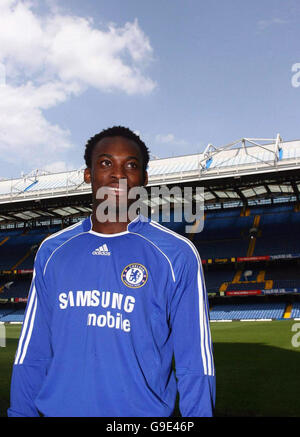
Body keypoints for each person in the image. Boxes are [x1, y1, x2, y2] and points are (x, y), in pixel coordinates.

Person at [8, 126, 215, 417]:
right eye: (106, 163)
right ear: (88, 175)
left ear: (143, 179)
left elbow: (195, 361)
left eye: (130, 165)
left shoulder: (176, 254)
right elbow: (33, 351)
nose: (118, 175)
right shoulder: (53, 250)